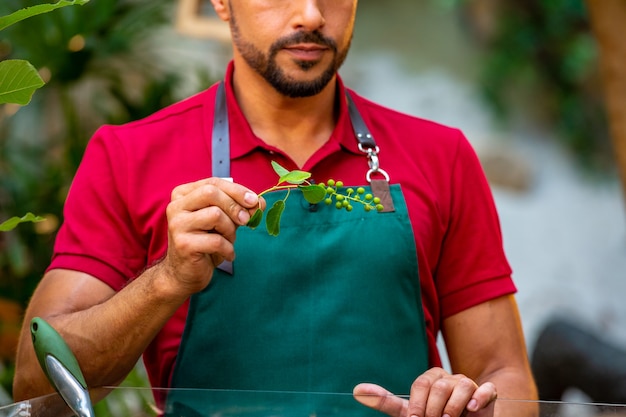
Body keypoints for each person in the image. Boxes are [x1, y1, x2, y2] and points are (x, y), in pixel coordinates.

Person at [12, 0, 538, 416]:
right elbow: (39, 386)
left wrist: (467, 406)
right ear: (220, 2)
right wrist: (165, 280)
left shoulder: (441, 155)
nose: (310, 15)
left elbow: (504, 373)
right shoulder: (129, 155)